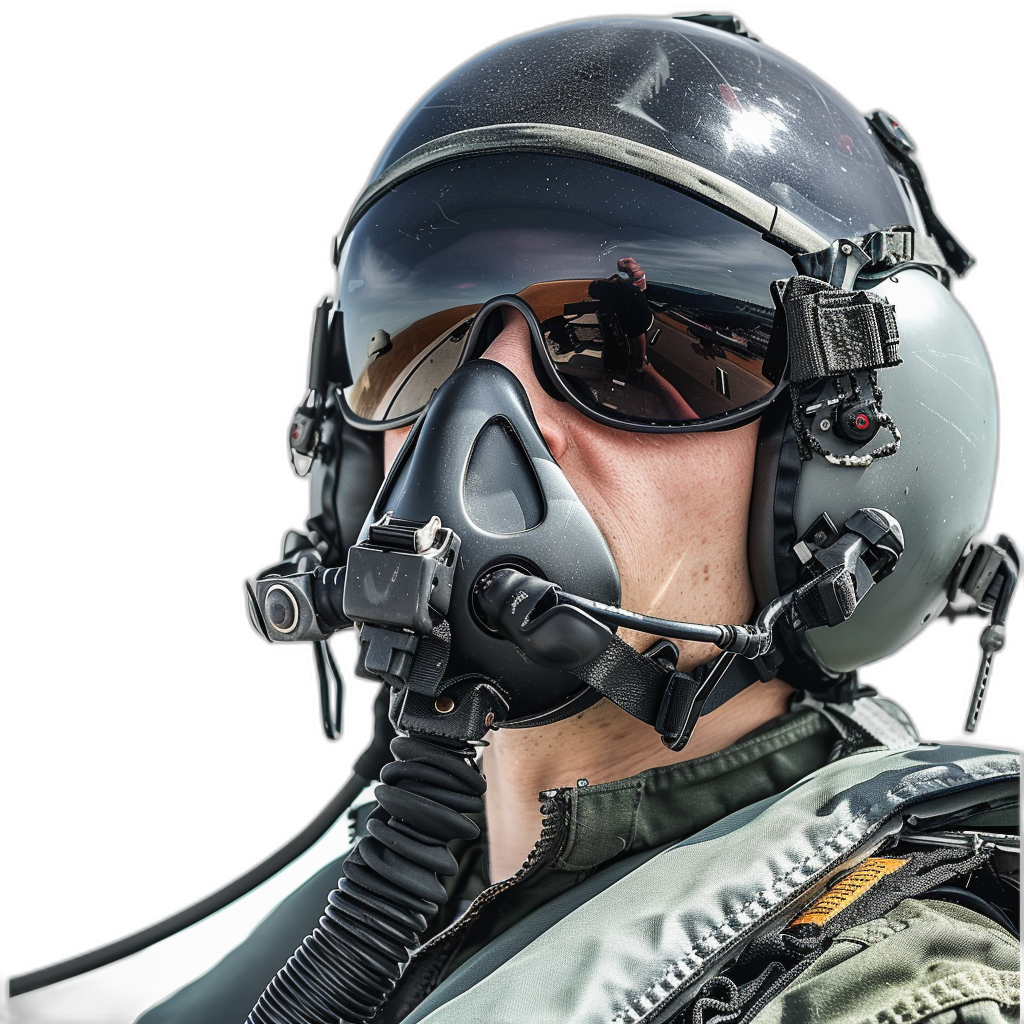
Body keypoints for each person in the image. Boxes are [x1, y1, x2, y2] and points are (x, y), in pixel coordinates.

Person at [8, 12, 1019, 1024]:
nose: (477, 421)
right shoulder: (378, 905)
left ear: (844, 466)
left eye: (628, 357)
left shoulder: (884, 990)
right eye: (427, 339)